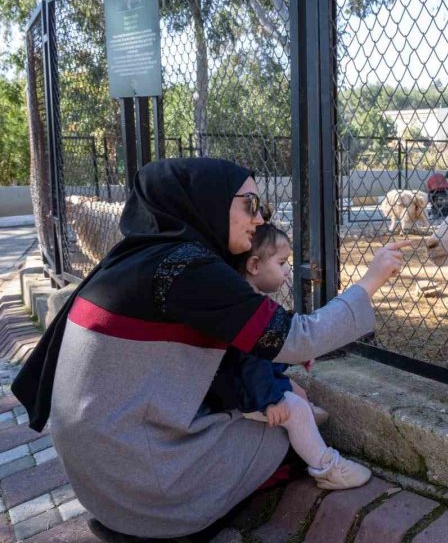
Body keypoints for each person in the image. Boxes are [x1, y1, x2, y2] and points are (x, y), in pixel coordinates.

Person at [10, 158, 407, 540]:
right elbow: (295, 337)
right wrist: (371, 280)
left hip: (98, 481)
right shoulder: (187, 268)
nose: (260, 218)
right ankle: (176, 520)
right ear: (208, 202)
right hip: (136, 483)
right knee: (282, 436)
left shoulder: (136, 257)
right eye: (250, 204)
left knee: (268, 408)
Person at [210, 221, 370, 491]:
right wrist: (270, 401)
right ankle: (327, 468)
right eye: (282, 263)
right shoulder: (247, 307)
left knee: (297, 393)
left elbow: (268, 350)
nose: (287, 270)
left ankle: (305, 427)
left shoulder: (245, 297)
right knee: (294, 409)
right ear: (254, 266)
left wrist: (294, 356)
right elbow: (250, 362)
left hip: (248, 381)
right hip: (242, 389)